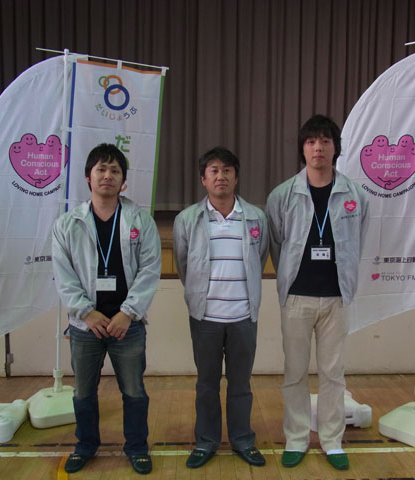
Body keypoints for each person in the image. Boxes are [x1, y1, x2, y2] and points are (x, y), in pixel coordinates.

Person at [266, 115, 369, 471]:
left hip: (337, 298)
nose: (318, 148)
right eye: (311, 142)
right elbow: (277, 244)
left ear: (335, 148)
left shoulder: (355, 195)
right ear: (303, 148)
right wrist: (289, 280)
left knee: (333, 374)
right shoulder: (282, 195)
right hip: (297, 298)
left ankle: (331, 440)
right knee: (294, 373)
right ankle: (296, 438)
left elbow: (358, 242)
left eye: (325, 141)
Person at [52, 143, 161, 475]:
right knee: (83, 392)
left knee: (134, 392)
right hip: (86, 325)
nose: (108, 176)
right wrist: (86, 312)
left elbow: (150, 270)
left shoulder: (140, 220)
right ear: (88, 176)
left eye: (115, 170)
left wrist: (127, 312)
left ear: (123, 181)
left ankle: (137, 447)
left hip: (128, 324)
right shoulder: (68, 224)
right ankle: (85, 445)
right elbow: (63, 275)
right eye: (101, 169)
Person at [173, 146, 269, 469]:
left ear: (236, 177)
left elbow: (260, 258)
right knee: (206, 385)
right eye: (213, 170)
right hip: (205, 319)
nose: (221, 176)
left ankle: (243, 440)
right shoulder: (187, 219)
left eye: (227, 170)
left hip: (244, 317)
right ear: (203, 179)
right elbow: (183, 265)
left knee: (241, 385)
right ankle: (206, 441)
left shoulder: (256, 217)